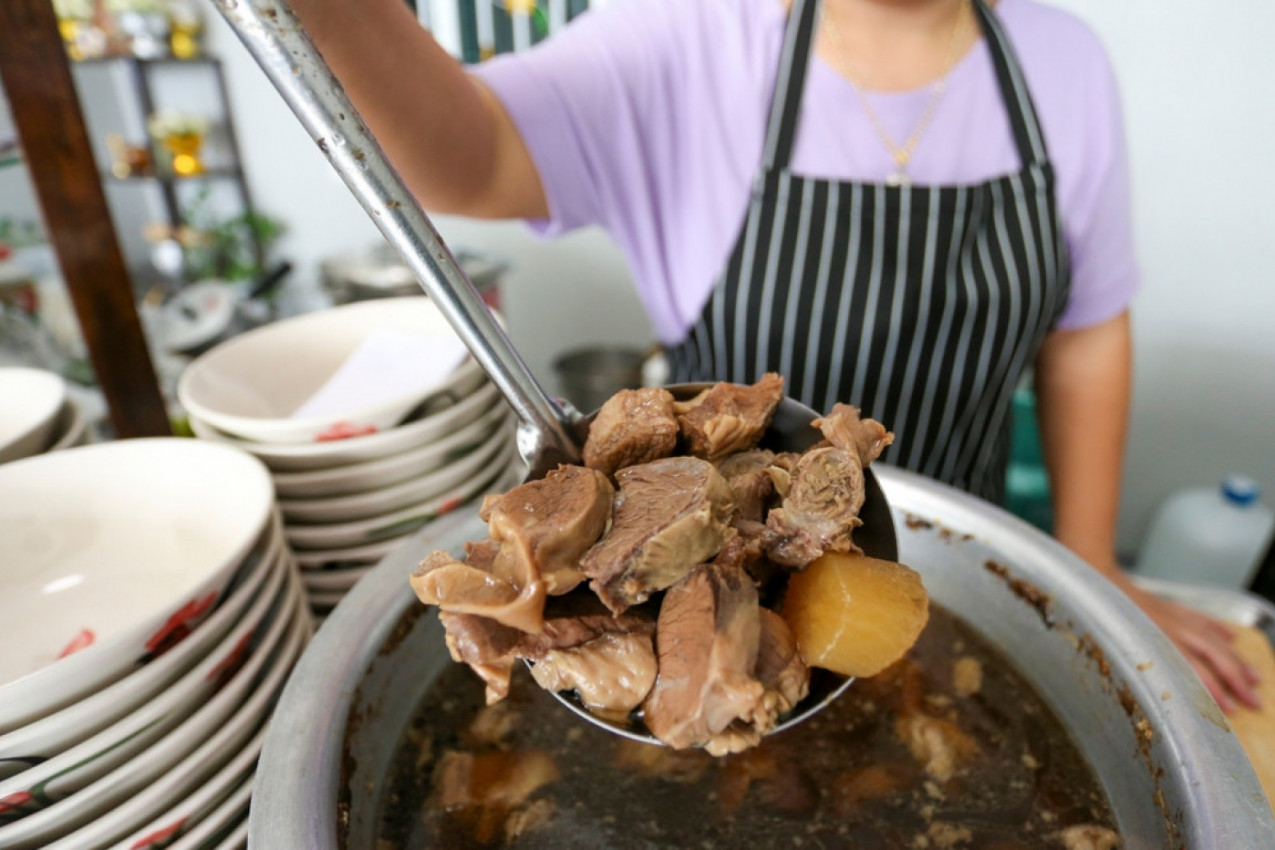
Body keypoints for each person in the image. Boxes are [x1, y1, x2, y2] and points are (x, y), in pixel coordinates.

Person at [287, 0, 1260, 711]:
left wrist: (1088, 561)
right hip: (695, 594)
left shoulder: (1063, 63)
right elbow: (472, 156)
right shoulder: (690, 37)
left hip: (963, 572)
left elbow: (1087, 328)